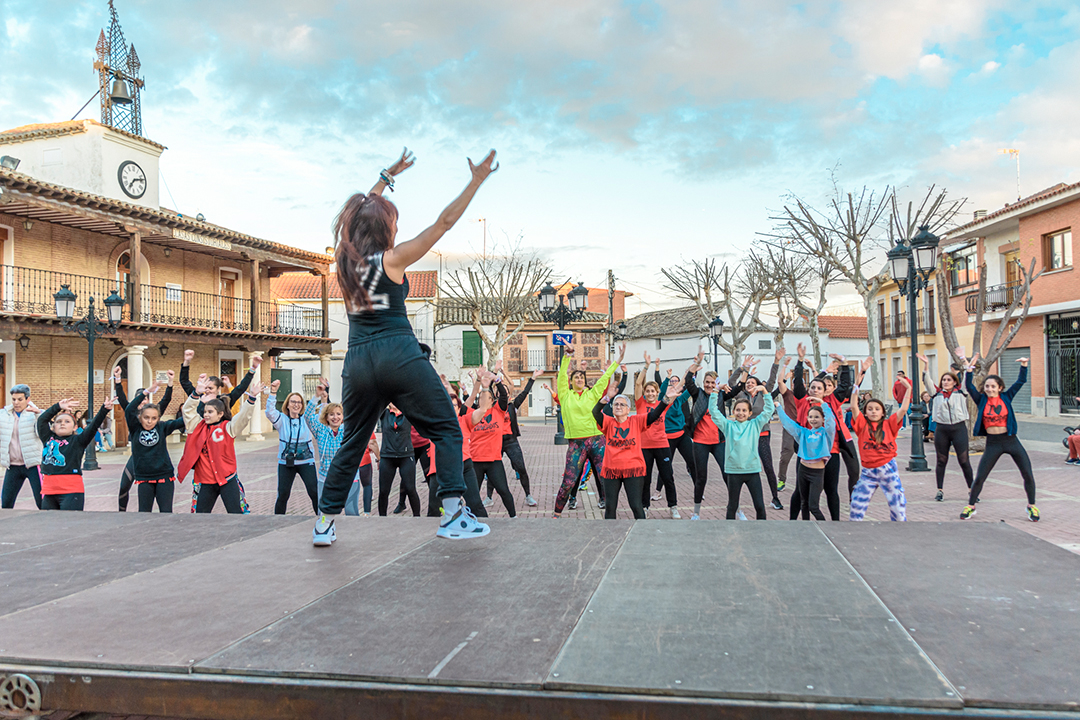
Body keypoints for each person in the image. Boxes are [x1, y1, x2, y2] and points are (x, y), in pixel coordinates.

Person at [315, 148, 496, 544]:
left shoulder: (346, 265)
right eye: (393, 221)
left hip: (358, 360)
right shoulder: (392, 260)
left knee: (353, 441)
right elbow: (444, 223)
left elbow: (355, 216)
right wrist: (476, 181)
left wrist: (384, 178)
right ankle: (452, 516)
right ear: (385, 229)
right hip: (397, 353)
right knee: (447, 429)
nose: (397, 227)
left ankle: (324, 524)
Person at [960, 354, 1038, 521]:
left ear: (1000, 388)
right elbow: (969, 387)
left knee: (1027, 473)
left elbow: (1020, 382)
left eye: (993, 386)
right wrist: (968, 371)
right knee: (981, 476)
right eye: (987, 386)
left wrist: (1024, 365)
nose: (989, 389)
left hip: (1011, 441)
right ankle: (971, 506)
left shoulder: (1007, 397)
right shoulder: (981, 400)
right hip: (993, 444)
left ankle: (1031, 506)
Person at [552, 343, 625, 517]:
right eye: (576, 377)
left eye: (582, 378)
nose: (579, 380)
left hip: (597, 440)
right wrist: (568, 355)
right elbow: (562, 375)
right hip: (576, 443)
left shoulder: (592, 394)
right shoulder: (565, 394)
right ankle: (556, 514)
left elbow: (605, 378)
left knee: (605, 477)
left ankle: (611, 512)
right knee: (568, 481)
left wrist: (617, 362)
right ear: (571, 381)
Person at [591, 380, 682, 519]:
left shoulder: (636, 421)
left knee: (636, 505)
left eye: (622, 404)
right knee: (610, 507)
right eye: (616, 404)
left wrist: (665, 400)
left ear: (629, 409)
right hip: (611, 471)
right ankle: (610, 535)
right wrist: (607, 397)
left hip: (633, 470)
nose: (619, 406)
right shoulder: (608, 422)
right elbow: (595, 412)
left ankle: (641, 534)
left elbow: (654, 415)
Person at [178, 375, 260, 513]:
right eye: (205, 412)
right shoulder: (197, 426)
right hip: (206, 481)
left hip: (227, 479)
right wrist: (196, 394)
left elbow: (243, 418)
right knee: (201, 515)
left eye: (210, 412)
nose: (206, 415)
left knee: (236, 513)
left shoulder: (228, 427)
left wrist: (251, 397)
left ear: (220, 414)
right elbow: (187, 411)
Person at [685, 348, 746, 520]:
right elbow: (689, 380)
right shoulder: (698, 394)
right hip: (700, 442)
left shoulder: (720, 396)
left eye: (713, 383)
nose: (710, 385)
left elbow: (737, 389)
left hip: (719, 441)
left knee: (728, 475)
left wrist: (744, 370)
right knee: (701, 478)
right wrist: (697, 363)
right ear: (703, 382)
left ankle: (738, 509)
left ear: (717, 383)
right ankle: (696, 512)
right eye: (707, 382)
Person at [306, 378, 378, 515]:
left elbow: (363, 418)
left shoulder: (349, 431)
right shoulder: (320, 430)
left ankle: (351, 535)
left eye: (338, 414)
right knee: (324, 512)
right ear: (326, 417)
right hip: (325, 477)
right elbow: (308, 417)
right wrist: (316, 396)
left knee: (351, 512)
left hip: (349, 477)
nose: (335, 417)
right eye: (331, 414)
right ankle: (326, 533)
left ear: (344, 417)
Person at [709, 381, 775, 520]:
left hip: (752, 471)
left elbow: (768, 410)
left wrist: (764, 389)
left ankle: (762, 533)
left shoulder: (755, 424)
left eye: (744, 410)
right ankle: (730, 533)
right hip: (734, 472)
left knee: (759, 506)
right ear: (733, 412)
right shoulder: (728, 426)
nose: (741, 413)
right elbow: (714, 412)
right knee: (732, 506)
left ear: (750, 413)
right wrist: (715, 391)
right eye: (738, 410)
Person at [113, 365, 175, 512]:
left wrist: (170, 384)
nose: (143, 402)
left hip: (154, 463)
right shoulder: (133, 415)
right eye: (140, 399)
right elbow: (122, 400)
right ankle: (121, 512)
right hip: (137, 458)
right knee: (123, 487)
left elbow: (166, 400)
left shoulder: (153, 414)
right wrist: (117, 380)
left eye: (146, 399)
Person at [848, 378, 911, 521]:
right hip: (868, 472)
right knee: (857, 504)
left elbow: (903, 409)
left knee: (897, 505)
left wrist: (908, 390)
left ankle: (901, 529)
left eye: (877, 409)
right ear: (865, 413)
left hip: (888, 468)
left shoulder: (890, 424)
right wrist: (856, 386)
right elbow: (853, 407)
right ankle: (854, 531)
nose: (873, 412)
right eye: (870, 409)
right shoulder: (862, 425)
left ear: (883, 412)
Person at [37, 396, 114, 511]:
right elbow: (41, 420)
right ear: (53, 427)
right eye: (59, 422)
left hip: (71, 491)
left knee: (70, 524)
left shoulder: (78, 440)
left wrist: (104, 409)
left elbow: (93, 426)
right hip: (49, 490)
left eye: (67, 422)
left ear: (75, 427)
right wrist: (58, 406)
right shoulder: (48, 438)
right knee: (48, 525)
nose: (62, 424)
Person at [735, 346, 786, 511]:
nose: (750, 384)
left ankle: (775, 498)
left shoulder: (764, 396)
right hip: (746, 436)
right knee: (742, 467)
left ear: (757, 385)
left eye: (753, 382)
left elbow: (771, 380)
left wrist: (776, 361)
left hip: (763, 434)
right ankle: (736, 501)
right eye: (747, 382)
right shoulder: (741, 396)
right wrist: (743, 369)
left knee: (768, 466)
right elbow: (731, 383)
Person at [125, 375, 187, 513]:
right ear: (140, 417)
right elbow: (129, 409)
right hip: (144, 477)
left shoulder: (162, 427)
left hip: (164, 475)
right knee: (144, 512)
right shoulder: (135, 428)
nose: (149, 421)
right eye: (146, 418)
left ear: (158, 418)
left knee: (166, 512)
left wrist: (198, 399)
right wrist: (146, 391)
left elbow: (184, 420)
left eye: (153, 418)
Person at [917, 353, 973, 501]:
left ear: (955, 382)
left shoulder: (961, 392)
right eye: (944, 380)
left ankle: (971, 489)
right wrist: (926, 365)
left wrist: (966, 364)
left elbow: (968, 380)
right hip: (942, 429)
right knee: (941, 460)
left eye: (949, 380)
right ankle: (940, 490)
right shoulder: (936, 394)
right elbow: (927, 381)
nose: (945, 382)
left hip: (959, 428)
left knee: (964, 460)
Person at [775, 395, 836, 521]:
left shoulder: (826, 433)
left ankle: (825, 528)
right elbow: (788, 424)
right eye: (811, 417)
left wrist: (822, 403)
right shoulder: (803, 433)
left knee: (813, 506)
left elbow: (831, 422)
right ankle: (806, 527)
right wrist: (779, 408)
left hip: (817, 473)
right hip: (803, 470)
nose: (813, 420)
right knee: (804, 504)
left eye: (817, 417)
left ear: (823, 419)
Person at [266, 380, 319, 515]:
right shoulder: (281, 419)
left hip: (306, 462)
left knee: (314, 492)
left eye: (299, 402)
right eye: (293, 402)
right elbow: (270, 412)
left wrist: (317, 396)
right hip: (286, 463)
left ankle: (322, 519)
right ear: (287, 405)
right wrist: (273, 392)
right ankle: (278, 521)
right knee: (283, 494)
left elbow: (318, 411)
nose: (296, 405)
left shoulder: (307, 419)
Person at [635, 353, 678, 518]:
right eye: (648, 391)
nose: (650, 393)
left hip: (662, 445)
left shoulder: (662, 404)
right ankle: (645, 506)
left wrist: (691, 370)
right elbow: (638, 382)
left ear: (657, 392)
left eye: (653, 391)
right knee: (645, 479)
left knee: (668, 477)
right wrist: (647, 366)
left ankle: (673, 506)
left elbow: (675, 389)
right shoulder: (640, 403)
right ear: (645, 392)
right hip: (644, 447)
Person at [469, 370, 517, 517]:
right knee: (472, 494)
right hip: (475, 461)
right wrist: (476, 382)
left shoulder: (498, 411)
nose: (484, 399)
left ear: (492, 400)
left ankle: (513, 516)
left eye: (488, 397)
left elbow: (503, 395)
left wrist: (496, 379)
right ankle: (472, 519)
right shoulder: (472, 413)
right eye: (482, 397)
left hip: (493, 460)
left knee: (503, 490)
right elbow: (469, 399)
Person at [497, 366, 541, 507]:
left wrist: (533, 377)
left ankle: (528, 495)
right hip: (496, 442)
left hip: (510, 441)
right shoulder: (491, 407)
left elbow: (525, 392)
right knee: (492, 470)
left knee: (521, 467)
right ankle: (489, 497)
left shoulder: (512, 405)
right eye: (500, 391)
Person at [0, 384, 45, 509]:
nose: (16, 403)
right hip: (13, 466)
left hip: (33, 465)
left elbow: (42, 433)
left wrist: (39, 415)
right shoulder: (3, 415)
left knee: (41, 502)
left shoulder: (35, 414)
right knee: (6, 503)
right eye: (14, 399)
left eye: (20, 399)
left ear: (27, 399)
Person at [378, 404, 421, 516]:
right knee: (383, 491)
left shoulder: (407, 411)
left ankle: (417, 517)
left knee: (411, 489)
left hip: (406, 456)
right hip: (387, 456)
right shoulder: (384, 413)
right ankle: (381, 519)